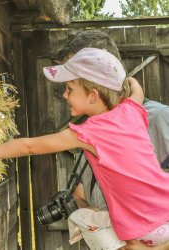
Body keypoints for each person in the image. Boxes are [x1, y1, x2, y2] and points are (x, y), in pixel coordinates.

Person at [0, 47, 169, 247]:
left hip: (143, 228)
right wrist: (127, 81)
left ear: (93, 95)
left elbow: (29, 147)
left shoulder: (91, 132)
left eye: (69, 88)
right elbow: (136, 90)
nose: (64, 95)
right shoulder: (131, 110)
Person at [57, 30, 169, 250]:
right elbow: (82, 195)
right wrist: (89, 212)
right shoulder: (88, 132)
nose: (66, 89)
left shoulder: (160, 119)